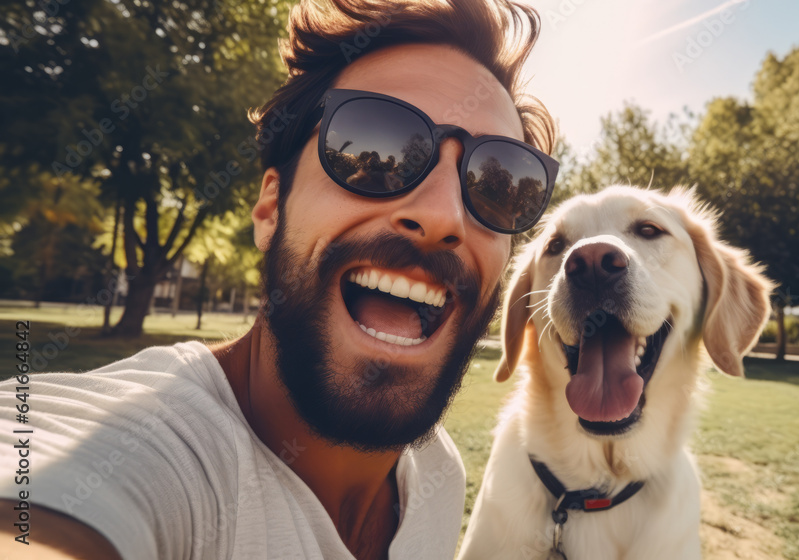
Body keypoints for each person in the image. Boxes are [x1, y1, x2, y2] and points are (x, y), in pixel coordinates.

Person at [0, 0, 557, 558]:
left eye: (497, 184)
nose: (443, 217)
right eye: (379, 145)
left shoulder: (436, 473)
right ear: (270, 208)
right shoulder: (147, 451)